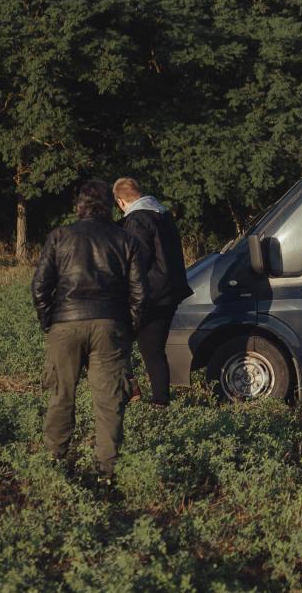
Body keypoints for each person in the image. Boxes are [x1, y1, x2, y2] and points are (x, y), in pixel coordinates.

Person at [32, 179, 147, 481]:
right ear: (109, 207)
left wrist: (50, 322)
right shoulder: (126, 240)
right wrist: (128, 330)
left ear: (79, 205)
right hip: (111, 326)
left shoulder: (59, 236)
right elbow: (139, 294)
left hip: (65, 324)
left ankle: (54, 464)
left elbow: (40, 287)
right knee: (109, 403)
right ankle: (105, 474)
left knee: (61, 396)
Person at [113, 177, 193, 406]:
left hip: (149, 294)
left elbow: (137, 260)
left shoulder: (137, 220)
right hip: (171, 292)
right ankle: (159, 401)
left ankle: (134, 391)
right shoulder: (163, 214)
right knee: (153, 349)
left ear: (120, 202)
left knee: (117, 340)